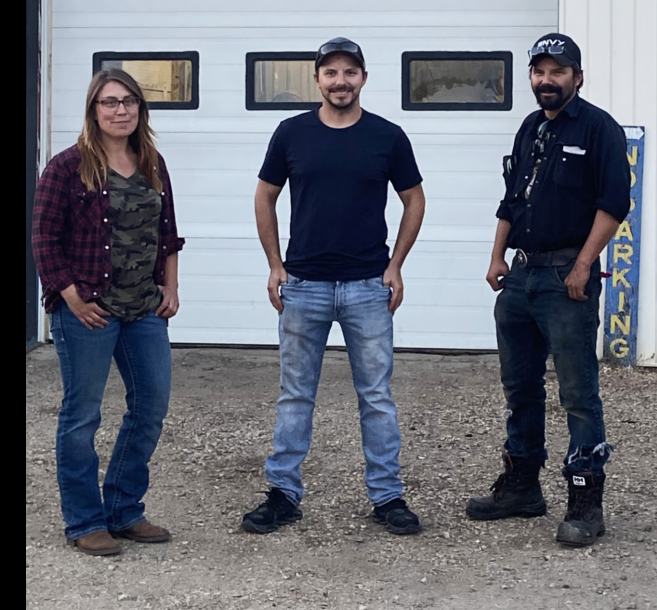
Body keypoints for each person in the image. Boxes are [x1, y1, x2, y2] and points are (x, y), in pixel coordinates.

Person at [243, 38, 426, 536]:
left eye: (350, 72)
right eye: (331, 72)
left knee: (377, 397)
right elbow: (264, 198)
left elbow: (414, 199)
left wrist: (396, 265)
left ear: (363, 78)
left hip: (369, 285)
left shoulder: (387, 136)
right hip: (303, 285)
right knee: (295, 396)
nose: (340, 81)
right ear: (317, 79)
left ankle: (387, 497)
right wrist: (274, 264)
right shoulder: (291, 134)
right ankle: (283, 494)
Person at [465, 33, 630, 547]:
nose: (547, 80)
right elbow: (511, 199)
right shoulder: (530, 127)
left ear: (577, 77)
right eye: (539, 72)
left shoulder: (599, 129)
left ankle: (585, 501)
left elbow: (614, 204)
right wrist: (497, 256)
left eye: (558, 71)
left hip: (566, 280)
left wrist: (583, 266)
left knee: (579, 395)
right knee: (520, 388)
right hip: (521, 275)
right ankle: (521, 487)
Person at [32, 69, 185, 556]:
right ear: (93, 110)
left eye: (129, 102)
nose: (120, 111)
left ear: (141, 109)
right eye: (109, 102)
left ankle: (124, 510)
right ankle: (84, 521)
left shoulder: (152, 163)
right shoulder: (67, 167)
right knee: (82, 416)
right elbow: (43, 239)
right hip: (88, 314)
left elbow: (168, 234)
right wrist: (71, 297)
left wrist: (171, 286)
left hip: (143, 310)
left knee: (150, 407)